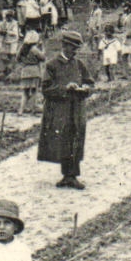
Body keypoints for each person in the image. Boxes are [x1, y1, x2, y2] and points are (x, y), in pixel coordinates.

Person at [38, 31, 95, 190]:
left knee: (76, 138)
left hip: (77, 108)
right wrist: (65, 88)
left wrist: (86, 89)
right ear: (64, 46)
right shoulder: (52, 65)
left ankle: (73, 176)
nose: (74, 51)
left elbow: (90, 82)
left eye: (76, 48)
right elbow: (46, 88)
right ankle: (67, 175)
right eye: (72, 48)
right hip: (60, 110)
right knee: (63, 140)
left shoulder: (79, 65)